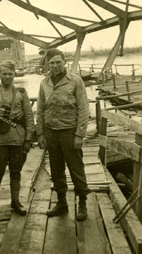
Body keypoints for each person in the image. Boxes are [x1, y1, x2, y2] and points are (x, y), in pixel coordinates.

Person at [36, 48, 89, 220]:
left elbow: (83, 108)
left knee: (76, 168)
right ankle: (62, 203)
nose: (55, 66)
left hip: (69, 131)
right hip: (51, 133)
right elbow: (41, 109)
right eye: (52, 63)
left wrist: (80, 134)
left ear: (64, 62)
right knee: (56, 169)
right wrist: (41, 134)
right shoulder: (44, 83)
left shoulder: (75, 81)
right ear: (48, 64)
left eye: (58, 62)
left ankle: (82, 203)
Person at [0, 60, 34, 218]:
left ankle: (15, 202)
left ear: (14, 74)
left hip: (17, 139)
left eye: (10, 74)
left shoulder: (21, 94)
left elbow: (29, 117)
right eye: (4, 74)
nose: (7, 76)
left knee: (16, 172)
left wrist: (28, 139)